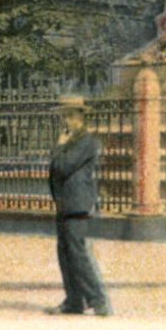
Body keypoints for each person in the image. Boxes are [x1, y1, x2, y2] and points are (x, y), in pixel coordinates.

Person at [46, 96, 112, 316]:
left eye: (71, 115)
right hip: (65, 203)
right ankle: (74, 301)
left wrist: (58, 147)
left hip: (78, 204)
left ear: (82, 117)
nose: (67, 120)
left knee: (78, 254)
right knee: (65, 253)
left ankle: (98, 301)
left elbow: (63, 167)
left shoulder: (87, 142)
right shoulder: (71, 141)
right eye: (64, 116)